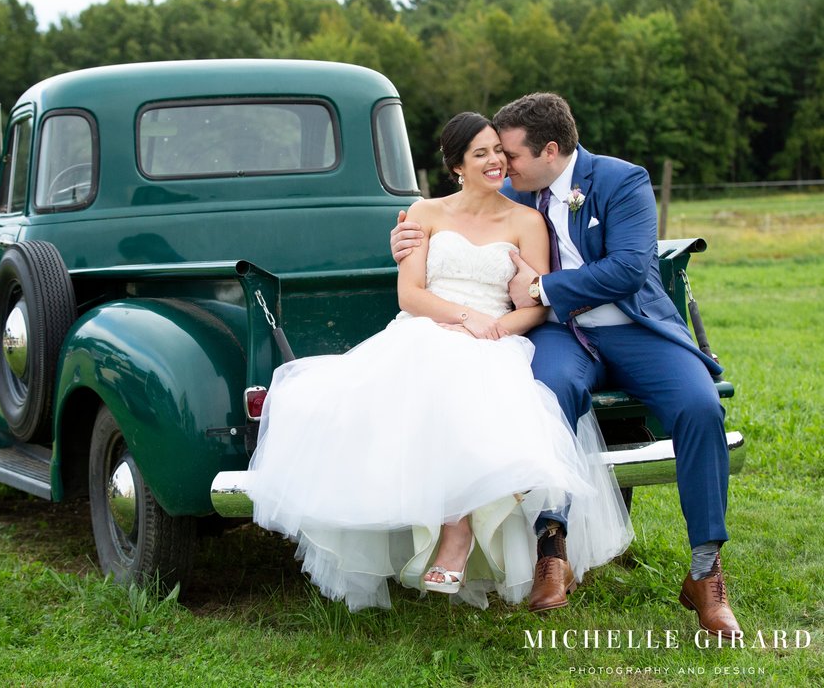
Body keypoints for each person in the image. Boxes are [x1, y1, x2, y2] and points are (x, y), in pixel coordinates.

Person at [248, 112, 631, 612]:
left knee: (473, 379)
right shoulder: (424, 213)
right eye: (481, 154)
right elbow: (410, 294)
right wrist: (462, 317)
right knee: (418, 373)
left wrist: (493, 328)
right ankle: (453, 527)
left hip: (497, 336)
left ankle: (458, 530)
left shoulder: (525, 219)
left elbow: (535, 305)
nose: (496, 161)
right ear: (456, 166)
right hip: (430, 326)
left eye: (499, 150)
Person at [391, 94, 741, 637]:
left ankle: (706, 573)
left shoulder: (622, 181)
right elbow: (466, 212)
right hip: (563, 334)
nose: (502, 166)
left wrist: (539, 286)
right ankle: (552, 549)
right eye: (496, 158)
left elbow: (627, 269)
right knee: (546, 396)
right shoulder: (512, 189)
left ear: (549, 151)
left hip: (634, 329)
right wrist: (405, 236)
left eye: (511, 156)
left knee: (699, 408)